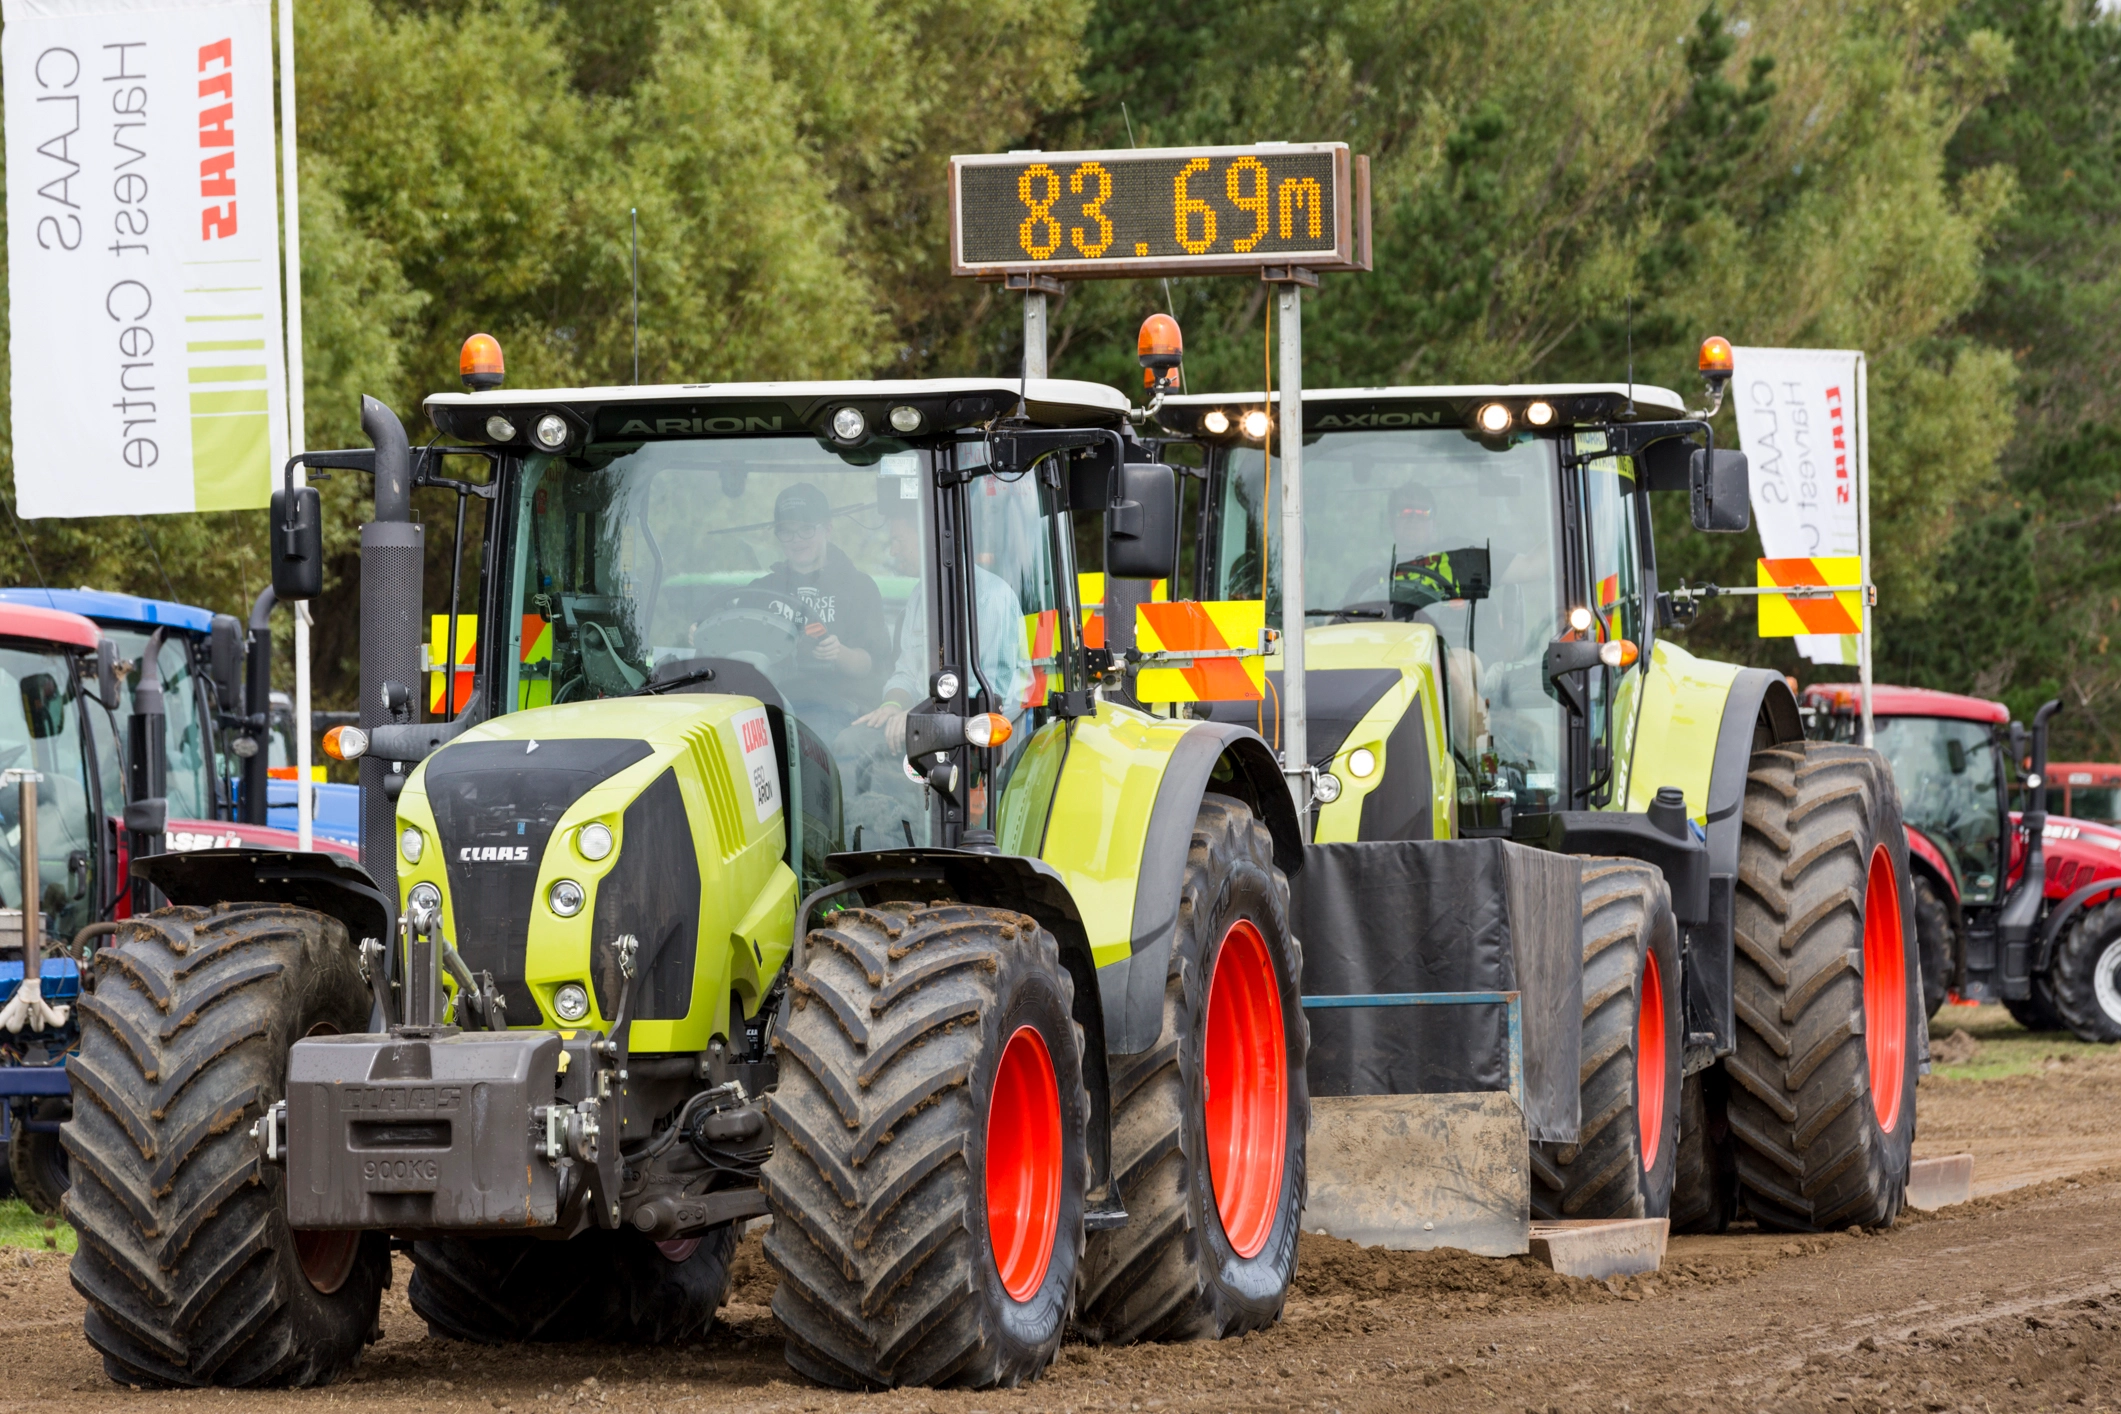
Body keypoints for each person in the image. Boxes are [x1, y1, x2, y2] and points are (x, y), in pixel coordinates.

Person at [852, 485, 1028, 754]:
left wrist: (915, 715)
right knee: (849, 745)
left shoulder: (991, 598)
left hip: (972, 740)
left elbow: (986, 695)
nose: (893, 552)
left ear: (927, 538)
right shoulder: (920, 596)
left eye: (898, 541)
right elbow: (907, 673)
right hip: (923, 726)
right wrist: (892, 707)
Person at [741, 482, 890, 721]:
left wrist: (839, 653)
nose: (796, 539)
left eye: (806, 529)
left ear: (828, 529)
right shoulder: (761, 591)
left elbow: (870, 664)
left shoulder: (859, 587)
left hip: (836, 707)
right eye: (786, 531)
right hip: (765, 705)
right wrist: (699, 628)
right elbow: (735, 640)